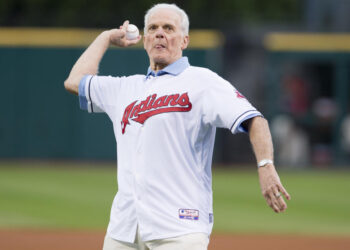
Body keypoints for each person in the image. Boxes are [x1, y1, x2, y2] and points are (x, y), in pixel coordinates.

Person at [64, 3, 291, 250]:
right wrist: (105, 38)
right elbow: (74, 81)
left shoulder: (202, 81)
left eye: (168, 28)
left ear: (184, 40)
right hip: (125, 228)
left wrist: (265, 165)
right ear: (145, 39)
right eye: (153, 28)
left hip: (180, 228)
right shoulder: (125, 88)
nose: (160, 32)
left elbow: (255, 120)